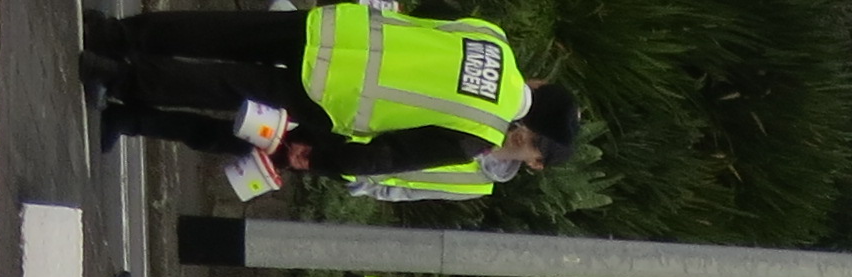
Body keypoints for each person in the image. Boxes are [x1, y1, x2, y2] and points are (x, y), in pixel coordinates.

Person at [84, 6, 577, 200]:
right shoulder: (481, 133)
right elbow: (391, 157)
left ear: (536, 85)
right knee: (226, 86)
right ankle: (117, 78)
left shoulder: (492, 40)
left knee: (225, 33)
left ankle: (115, 34)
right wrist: (325, 159)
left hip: (337, 31)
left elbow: (419, 25)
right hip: (334, 98)